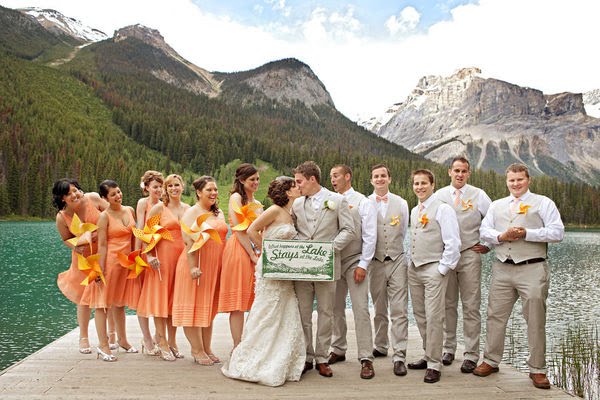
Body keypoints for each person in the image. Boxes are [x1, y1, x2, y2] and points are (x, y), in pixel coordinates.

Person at [474, 163, 564, 390]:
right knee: (495, 316)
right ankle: (491, 360)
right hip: (502, 267)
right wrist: (501, 236)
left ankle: (538, 369)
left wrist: (527, 233)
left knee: (535, 319)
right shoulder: (496, 205)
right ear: (507, 182)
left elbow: (557, 232)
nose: (515, 184)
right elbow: (484, 231)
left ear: (528, 180)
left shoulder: (543, 203)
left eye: (520, 179)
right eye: (512, 180)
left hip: (533, 268)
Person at [222, 176, 306, 386]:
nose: (299, 188)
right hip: (269, 267)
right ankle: (253, 359)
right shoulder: (275, 210)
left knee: (285, 311)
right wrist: (267, 251)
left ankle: (282, 358)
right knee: (267, 311)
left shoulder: (290, 213)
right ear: (287, 192)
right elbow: (252, 230)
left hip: (283, 272)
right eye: (295, 185)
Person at [292, 161, 354, 378]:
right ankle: (306, 357)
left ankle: (322, 358)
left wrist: (330, 249)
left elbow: (349, 230)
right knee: (303, 313)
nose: (297, 186)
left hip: (327, 266)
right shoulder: (297, 204)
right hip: (302, 267)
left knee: (326, 313)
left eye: (300, 181)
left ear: (312, 179)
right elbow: (293, 230)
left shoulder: (337, 200)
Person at [435, 157, 491, 373]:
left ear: (468, 173)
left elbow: (493, 220)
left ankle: (471, 354)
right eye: (456, 170)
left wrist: (488, 244)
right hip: (446, 256)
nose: (460, 174)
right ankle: (448, 349)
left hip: (469, 254)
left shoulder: (479, 195)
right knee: (447, 304)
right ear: (449, 171)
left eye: (464, 171)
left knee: (471, 305)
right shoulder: (439, 196)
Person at [407, 169, 460, 383]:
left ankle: (434, 365)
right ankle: (428, 354)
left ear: (432, 185)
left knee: (434, 317)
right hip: (414, 268)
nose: (419, 187)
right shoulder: (414, 210)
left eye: (423, 183)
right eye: (416, 183)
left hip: (433, 269)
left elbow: (453, 243)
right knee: (420, 315)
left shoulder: (443, 209)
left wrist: (442, 269)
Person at [327, 165, 377, 379]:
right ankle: (338, 348)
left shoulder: (363, 202)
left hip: (355, 260)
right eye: (330, 176)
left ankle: (366, 357)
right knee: (335, 307)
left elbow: (370, 235)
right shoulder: (329, 200)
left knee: (360, 308)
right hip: (334, 260)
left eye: (336, 176)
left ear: (347, 176)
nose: (333, 180)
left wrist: (363, 264)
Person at [172, 176, 228, 365]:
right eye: (209, 190)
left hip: (214, 266)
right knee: (192, 308)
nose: (213, 193)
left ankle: (206, 347)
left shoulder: (218, 212)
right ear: (198, 192)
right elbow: (188, 240)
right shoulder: (192, 212)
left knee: (208, 309)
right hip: (196, 265)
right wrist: (193, 266)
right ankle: (196, 350)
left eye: (215, 189)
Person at [52, 178, 108, 354]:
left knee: (107, 294)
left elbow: (113, 215)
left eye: (75, 190)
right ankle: (83, 337)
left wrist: (101, 233)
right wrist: (76, 245)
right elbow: (66, 238)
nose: (74, 195)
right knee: (84, 298)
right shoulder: (62, 217)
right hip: (83, 258)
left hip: (104, 252)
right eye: (69, 194)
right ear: (62, 198)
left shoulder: (93, 198)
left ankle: (112, 335)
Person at [136, 174, 189, 361]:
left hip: (181, 258)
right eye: (170, 186)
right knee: (161, 300)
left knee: (174, 300)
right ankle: (162, 342)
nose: (174, 188)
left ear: (182, 187)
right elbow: (146, 235)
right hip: (162, 259)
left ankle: (172, 341)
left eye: (177, 185)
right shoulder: (159, 208)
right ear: (166, 189)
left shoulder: (188, 209)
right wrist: (149, 256)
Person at [367, 164, 410, 377]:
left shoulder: (401, 203)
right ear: (371, 180)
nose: (380, 179)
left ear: (389, 179)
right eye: (376, 176)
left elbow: (403, 231)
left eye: (383, 175)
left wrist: (393, 249)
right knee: (379, 307)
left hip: (397, 260)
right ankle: (381, 345)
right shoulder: (366, 203)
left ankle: (399, 355)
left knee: (399, 309)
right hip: (374, 262)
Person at [218, 163, 262, 349]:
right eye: (252, 179)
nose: (256, 182)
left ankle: (251, 343)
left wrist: (260, 250)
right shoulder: (236, 198)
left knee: (255, 299)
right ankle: (237, 346)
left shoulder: (257, 203)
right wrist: (251, 254)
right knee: (238, 302)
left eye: (257, 179)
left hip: (256, 250)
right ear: (242, 180)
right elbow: (239, 229)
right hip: (239, 248)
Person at [97, 180, 140, 356]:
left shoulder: (129, 210)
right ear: (105, 198)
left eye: (119, 192)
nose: (118, 196)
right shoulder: (104, 216)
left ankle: (123, 340)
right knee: (103, 304)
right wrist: (100, 268)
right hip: (111, 263)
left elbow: (135, 236)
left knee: (120, 303)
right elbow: (102, 245)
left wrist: (136, 258)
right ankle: (103, 345)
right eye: (113, 194)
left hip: (126, 262)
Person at [135, 170, 164, 356]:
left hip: (161, 252)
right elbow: (140, 227)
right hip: (145, 251)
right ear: (147, 188)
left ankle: (158, 336)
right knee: (142, 296)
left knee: (158, 295)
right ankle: (146, 338)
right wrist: (139, 255)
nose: (159, 190)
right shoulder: (142, 203)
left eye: (161, 187)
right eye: (155, 187)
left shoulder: (164, 205)